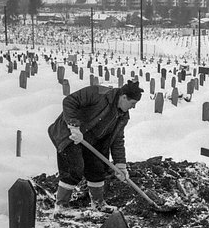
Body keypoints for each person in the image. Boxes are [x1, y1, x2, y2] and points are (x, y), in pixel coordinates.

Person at [48, 80, 143, 212]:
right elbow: (69, 101)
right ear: (124, 97)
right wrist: (73, 126)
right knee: (74, 169)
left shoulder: (122, 116)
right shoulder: (98, 93)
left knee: (97, 170)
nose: (133, 107)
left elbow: (117, 140)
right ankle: (61, 206)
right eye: (133, 103)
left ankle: (98, 204)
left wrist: (120, 164)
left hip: (91, 140)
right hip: (69, 134)